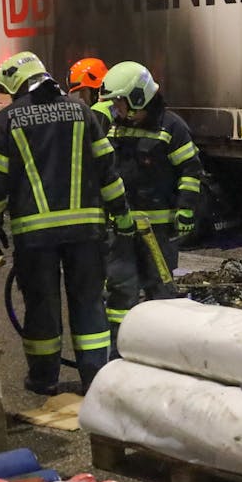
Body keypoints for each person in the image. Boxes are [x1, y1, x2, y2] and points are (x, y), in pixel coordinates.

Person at [0, 50, 134, 395]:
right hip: (87, 232)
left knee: (42, 306)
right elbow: (109, 173)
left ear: (17, 85)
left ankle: (44, 379)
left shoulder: (7, 120)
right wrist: (121, 216)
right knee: (89, 302)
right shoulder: (83, 113)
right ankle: (96, 378)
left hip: (34, 236)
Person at [95, 61, 203, 329]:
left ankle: (160, 349)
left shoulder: (171, 127)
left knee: (160, 290)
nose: (115, 108)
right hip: (120, 227)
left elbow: (190, 170)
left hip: (158, 230)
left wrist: (187, 208)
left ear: (138, 96)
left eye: (120, 102)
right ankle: (119, 350)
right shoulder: (112, 125)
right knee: (120, 290)